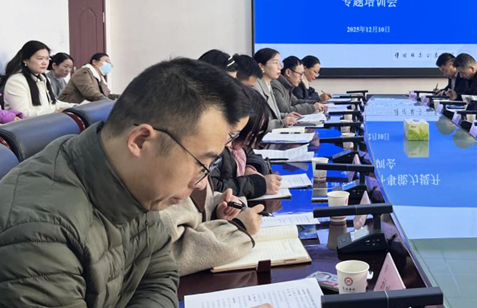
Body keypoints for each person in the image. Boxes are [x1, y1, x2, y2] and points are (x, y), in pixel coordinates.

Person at [0, 58, 251, 306]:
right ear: (141, 141)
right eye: (200, 164)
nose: (201, 183)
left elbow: (160, 278)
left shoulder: (136, 183)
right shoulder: (39, 234)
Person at [161, 92, 265, 276]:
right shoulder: (163, 184)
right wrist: (237, 229)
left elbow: (200, 206)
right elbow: (171, 255)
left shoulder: (198, 155)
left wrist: (218, 207)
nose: (229, 144)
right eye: (231, 134)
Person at [210, 88, 282, 200]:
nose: (251, 141)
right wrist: (257, 185)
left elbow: (253, 156)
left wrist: (250, 169)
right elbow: (213, 187)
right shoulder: (216, 148)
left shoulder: (239, 145)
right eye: (250, 133)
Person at [0, 40, 76, 118]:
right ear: (25, 60)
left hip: (45, 122)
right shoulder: (16, 81)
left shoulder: (44, 79)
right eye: (40, 58)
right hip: (28, 125)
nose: (45, 63)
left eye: (47, 59)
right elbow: (22, 114)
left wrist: (74, 107)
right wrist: (55, 112)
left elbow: (54, 104)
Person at [253, 48, 300, 130]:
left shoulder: (268, 85)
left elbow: (272, 115)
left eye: (280, 63)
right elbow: (256, 123)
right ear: (261, 66)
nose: (280, 67)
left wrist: (286, 116)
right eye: (275, 63)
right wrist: (282, 122)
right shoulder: (255, 88)